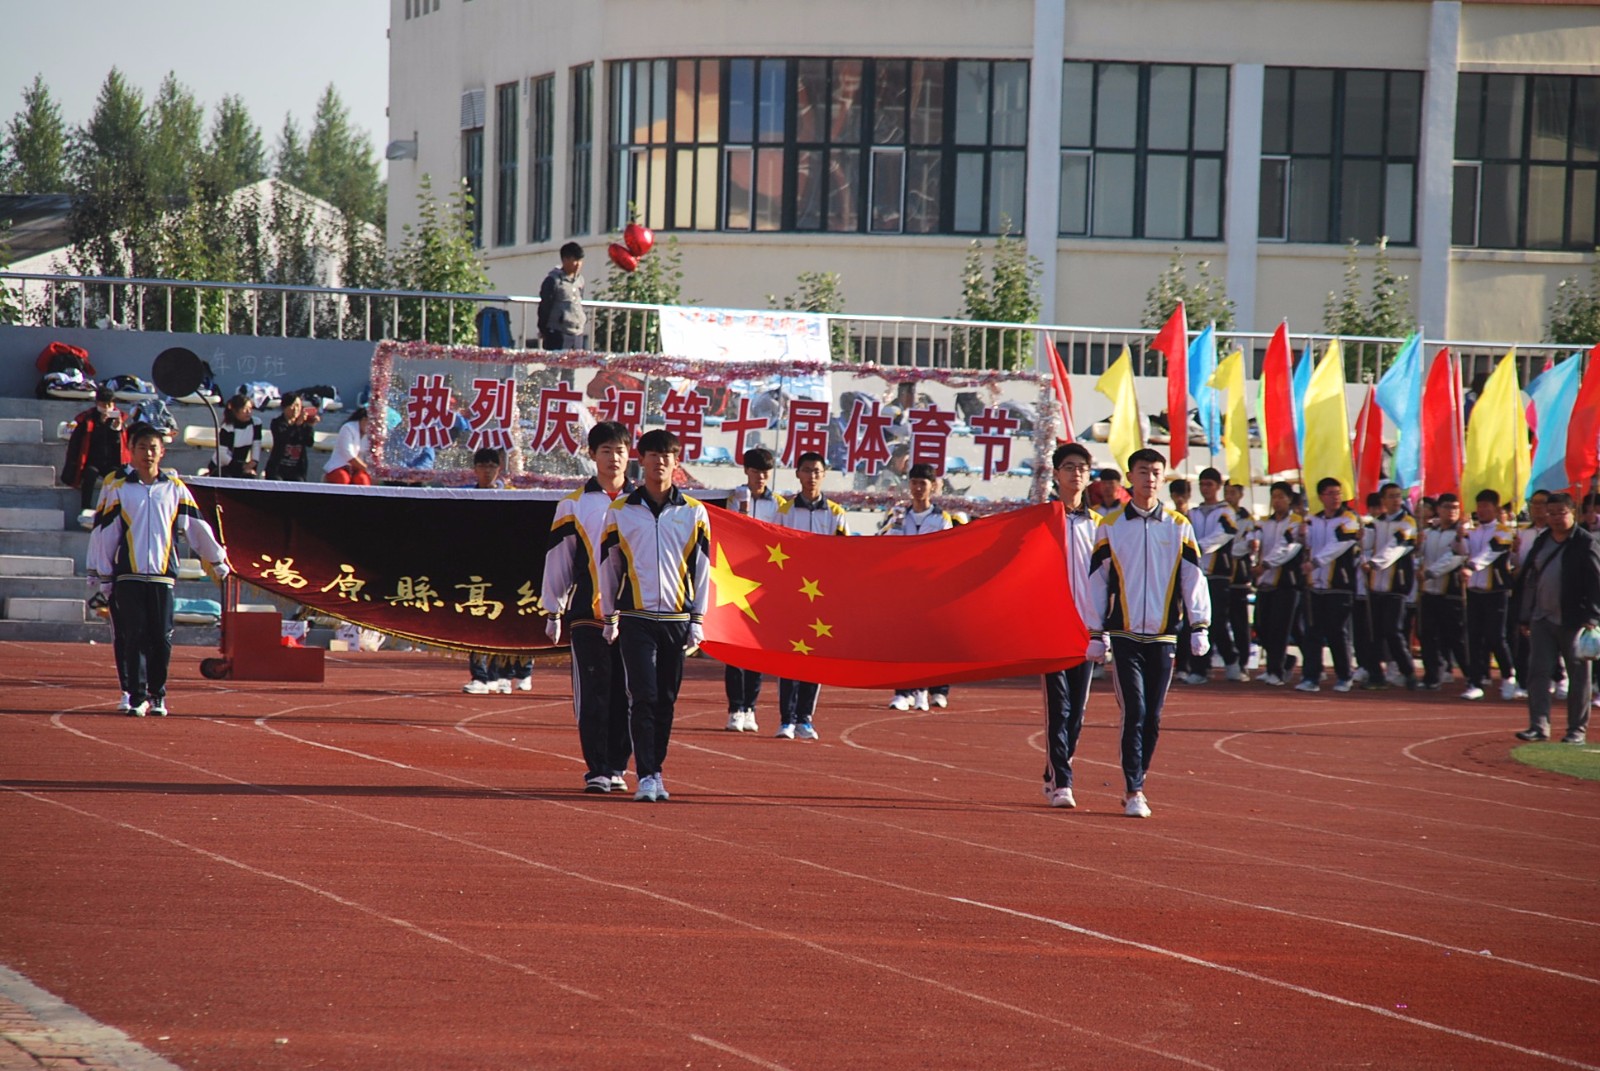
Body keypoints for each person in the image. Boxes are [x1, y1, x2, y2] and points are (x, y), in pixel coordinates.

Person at [1083, 448, 1211, 818]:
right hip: (1124, 634)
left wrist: (1200, 625)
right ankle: (1134, 788)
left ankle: (1139, 777)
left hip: (1164, 635)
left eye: (1156, 472)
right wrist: (1096, 631)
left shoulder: (1178, 525)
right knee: (1134, 710)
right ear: (1130, 477)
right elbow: (1097, 580)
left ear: (1163, 477)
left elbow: (1193, 577)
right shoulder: (1111, 525)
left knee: (1152, 716)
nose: (1149, 479)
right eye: (1143, 471)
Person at [87, 424, 231, 717]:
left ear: (162, 452)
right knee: (134, 636)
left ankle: (158, 695)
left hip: (163, 576)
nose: (148, 454)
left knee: (161, 639)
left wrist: (217, 559)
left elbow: (196, 527)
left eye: (153, 448)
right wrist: (102, 573)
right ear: (131, 451)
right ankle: (136, 696)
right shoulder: (120, 488)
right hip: (129, 574)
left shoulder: (175, 488)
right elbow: (106, 533)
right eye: (142, 448)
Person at [597, 428, 710, 802]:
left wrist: (698, 618)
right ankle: (646, 775)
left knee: (666, 700)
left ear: (677, 462)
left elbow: (703, 569)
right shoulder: (620, 511)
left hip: (677, 620)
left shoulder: (693, 512)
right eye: (653, 455)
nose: (660, 462)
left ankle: (656, 769)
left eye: (667, 456)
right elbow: (609, 566)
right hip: (637, 618)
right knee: (642, 696)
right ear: (640, 460)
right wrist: (610, 615)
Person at [543, 422, 636, 792]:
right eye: (605, 451)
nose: (613, 458)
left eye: (620, 451)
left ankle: (618, 766)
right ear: (592, 455)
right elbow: (559, 559)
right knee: (594, 693)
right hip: (588, 613)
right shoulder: (573, 504)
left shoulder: (644, 503)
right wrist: (553, 609)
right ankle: (597, 768)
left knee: (627, 694)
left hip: (633, 614)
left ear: (630, 455)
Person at [1511, 492, 1600, 744]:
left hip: (1574, 620)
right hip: (1541, 617)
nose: (1556, 518)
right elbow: (1530, 579)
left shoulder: (1585, 542)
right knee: (1538, 672)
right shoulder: (1542, 540)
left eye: (1561, 513)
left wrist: (1592, 616)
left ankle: (1576, 730)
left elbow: (1596, 581)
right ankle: (1538, 726)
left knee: (1579, 676)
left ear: (1573, 512)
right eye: (1551, 513)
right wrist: (1524, 616)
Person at [1041, 443, 1102, 808]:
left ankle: (1055, 768)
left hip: (1087, 627)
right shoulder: (1043, 521)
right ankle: (1063, 781)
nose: (1075, 473)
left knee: (1077, 710)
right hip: (1053, 626)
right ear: (1056, 474)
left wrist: (1104, 627)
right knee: (1058, 706)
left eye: (1081, 467)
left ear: (1089, 475)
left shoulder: (1100, 526)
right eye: (1068, 467)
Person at [774, 451, 849, 739]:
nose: (811, 477)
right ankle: (786, 720)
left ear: (824, 475)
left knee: (814, 657)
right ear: (798, 474)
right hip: (792, 594)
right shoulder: (784, 512)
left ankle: (805, 718)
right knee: (788, 657)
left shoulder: (836, 514)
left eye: (817, 471)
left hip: (822, 596)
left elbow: (845, 555)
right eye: (806, 470)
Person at [460, 448, 534, 695]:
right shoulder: (464, 496)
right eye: (482, 465)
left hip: (505, 568)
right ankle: (480, 677)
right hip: (476, 572)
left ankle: (504, 673)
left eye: (492, 466)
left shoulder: (510, 496)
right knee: (476, 622)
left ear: (499, 469)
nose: (487, 470)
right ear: (475, 469)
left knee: (504, 621)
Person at [884, 463, 955, 712]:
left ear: (932, 487)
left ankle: (928, 689)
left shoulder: (941, 519)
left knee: (928, 640)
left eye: (922, 484)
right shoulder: (899, 515)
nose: (917, 488)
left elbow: (946, 552)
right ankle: (902, 692)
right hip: (902, 587)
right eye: (913, 483)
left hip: (930, 588)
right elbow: (888, 546)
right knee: (902, 639)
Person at [723, 446, 784, 732]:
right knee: (734, 648)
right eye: (756, 471)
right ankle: (735, 708)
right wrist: (743, 508)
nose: (761, 477)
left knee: (758, 650)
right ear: (746, 471)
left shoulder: (779, 505)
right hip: (734, 582)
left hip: (765, 586)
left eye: (765, 473)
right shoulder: (732, 499)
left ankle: (750, 707)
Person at [1298, 477, 1362, 693]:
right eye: (1331, 493)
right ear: (1321, 497)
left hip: (1339, 585)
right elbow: (1304, 544)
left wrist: (1315, 562)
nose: (1336, 498)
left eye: (1338, 493)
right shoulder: (1312, 520)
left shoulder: (1349, 519)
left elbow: (1339, 545)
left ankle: (1344, 675)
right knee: (1312, 632)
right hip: (1314, 586)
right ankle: (1311, 676)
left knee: (1337, 631)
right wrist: (1301, 537)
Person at [1460, 489, 1517, 701]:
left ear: (1495, 508)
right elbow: (1461, 551)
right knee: (1474, 637)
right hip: (1474, 591)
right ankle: (1475, 681)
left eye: (1486, 506)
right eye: (1479, 506)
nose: (1482, 510)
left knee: (1496, 636)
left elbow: (1490, 553)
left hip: (1496, 591)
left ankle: (1508, 675)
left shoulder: (1504, 532)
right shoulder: (1473, 531)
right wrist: (1459, 537)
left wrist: (1471, 567)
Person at [1186, 468, 1241, 683]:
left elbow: (1224, 534)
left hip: (1218, 574)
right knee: (1196, 621)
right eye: (1202, 484)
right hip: (1196, 574)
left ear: (1218, 487)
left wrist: (1198, 547)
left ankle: (1231, 659)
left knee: (1217, 621)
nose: (1205, 488)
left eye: (1209, 484)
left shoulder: (1226, 511)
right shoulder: (1193, 513)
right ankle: (1199, 668)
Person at [1361, 483, 1418, 689]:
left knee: (1392, 630)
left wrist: (1374, 563)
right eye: (1391, 496)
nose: (1395, 500)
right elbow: (1365, 546)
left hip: (1397, 584)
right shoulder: (1375, 523)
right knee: (1374, 631)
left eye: (1398, 496)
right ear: (1383, 500)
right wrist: (1361, 542)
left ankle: (1407, 671)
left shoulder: (1408, 523)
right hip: (1375, 585)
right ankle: (1376, 675)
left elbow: (1396, 547)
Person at [1252, 481, 1305, 687]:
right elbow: (1253, 537)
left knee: (1279, 629)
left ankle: (1276, 670)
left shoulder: (1297, 523)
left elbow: (1287, 547)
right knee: (1260, 626)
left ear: (1289, 499)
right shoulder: (1264, 522)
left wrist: (1266, 564)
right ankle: (1283, 661)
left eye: (1281, 496)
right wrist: (1251, 545)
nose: (1277, 501)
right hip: (1264, 583)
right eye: (1274, 496)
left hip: (1286, 583)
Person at [1416, 493, 1468, 691]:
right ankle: (1432, 675)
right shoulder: (1429, 532)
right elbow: (1419, 555)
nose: (1451, 511)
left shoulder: (1461, 533)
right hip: (1428, 592)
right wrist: (1418, 554)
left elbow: (1456, 557)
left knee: (1455, 637)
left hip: (1451, 591)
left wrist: (1430, 572)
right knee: (1427, 634)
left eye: (1455, 507)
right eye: (1447, 507)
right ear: (1438, 509)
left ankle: (1471, 676)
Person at [62, 385, 130, 525]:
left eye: (110, 404)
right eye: (104, 404)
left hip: (111, 462)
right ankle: (85, 507)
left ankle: (115, 510)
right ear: (97, 403)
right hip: (93, 461)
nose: (107, 408)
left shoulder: (118, 419)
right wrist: (101, 425)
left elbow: (120, 446)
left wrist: (116, 429)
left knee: (117, 476)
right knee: (90, 474)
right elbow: (83, 442)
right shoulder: (88, 419)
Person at [538, 241, 588, 351]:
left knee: (575, 361)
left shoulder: (580, 281)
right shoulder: (553, 280)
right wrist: (543, 329)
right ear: (565, 260)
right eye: (575, 260)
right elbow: (545, 306)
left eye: (580, 260)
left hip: (577, 333)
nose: (578, 264)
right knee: (556, 362)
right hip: (558, 332)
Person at [265, 393, 319, 481]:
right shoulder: (277, 423)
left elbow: (309, 442)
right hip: (278, 469)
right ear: (284, 407)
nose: (296, 409)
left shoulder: (303, 424)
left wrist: (309, 426)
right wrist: (297, 425)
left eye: (298, 406)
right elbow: (282, 439)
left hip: (297, 470)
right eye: (292, 406)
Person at [211, 393, 264, 478]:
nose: (248, 412)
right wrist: (241, 467)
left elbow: (256, 445)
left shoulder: (256, 423)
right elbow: (222, 455)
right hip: (223, 466)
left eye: (250, 408)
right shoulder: (227, 428)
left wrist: (253, 462)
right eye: (244, 409)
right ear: (235, 410)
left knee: (250, 477)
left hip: (241, 465)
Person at [323, 408, 372, 485]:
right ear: (364, 419)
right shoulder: (348, 428)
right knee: (342, 479)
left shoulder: (371, 434)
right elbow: (348, 454)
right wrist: (367, 469)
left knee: (362, 480)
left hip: (358, 469)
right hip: (339, 466)